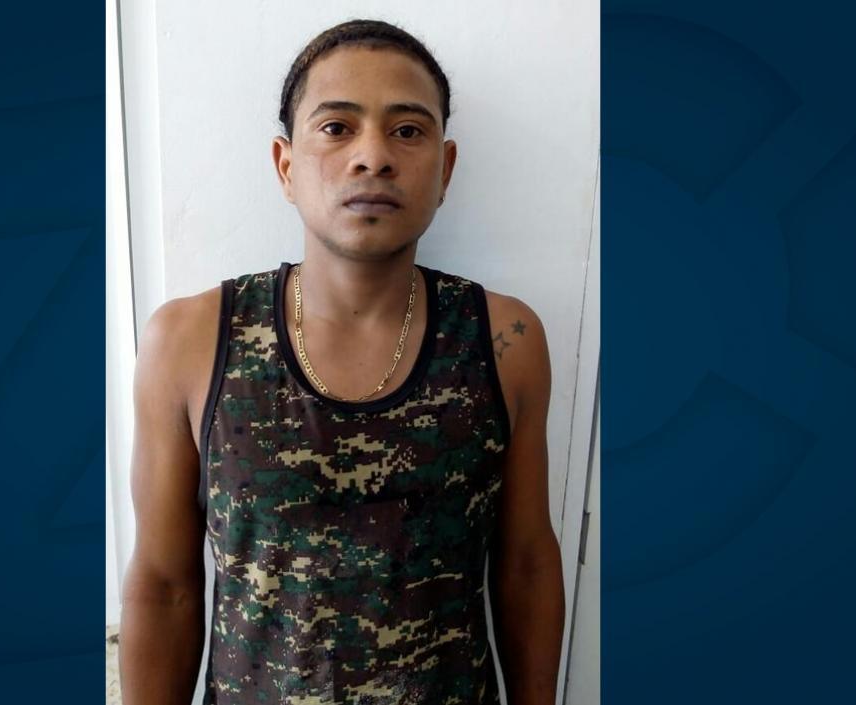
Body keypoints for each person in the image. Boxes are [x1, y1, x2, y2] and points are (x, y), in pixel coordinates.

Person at [121, 18, 564, 705]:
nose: (373, 156)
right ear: (285, 165)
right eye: (336, 127)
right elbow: (164, 585)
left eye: (407, 130)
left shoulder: (504, 340)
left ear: (445, 169)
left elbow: (528, 566)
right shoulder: (189, 340)